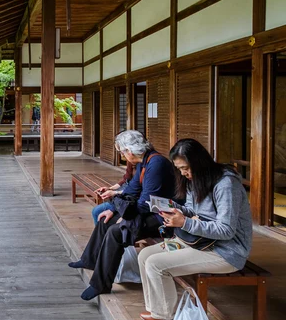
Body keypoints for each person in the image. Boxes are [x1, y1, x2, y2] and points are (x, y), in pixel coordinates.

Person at [137, 139, 252, 320]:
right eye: (179, 169)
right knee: (144, 256)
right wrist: (174, 209)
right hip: (201, 242)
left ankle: (163, 316)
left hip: (226, 251)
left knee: (156, 264)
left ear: (199, 162)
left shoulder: (226, 185)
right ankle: (157, 310)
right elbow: (193, 211)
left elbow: (226, 230)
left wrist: (184, 223)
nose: (184, 173)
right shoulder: (194, 180)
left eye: (186, 168)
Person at [68, 130, 176, 300]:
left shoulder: (156, 164)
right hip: (147, 210)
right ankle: (90, 259)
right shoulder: (144, 161)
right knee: (105, 220)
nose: (122, 156)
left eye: (121, 152)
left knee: (116, 232)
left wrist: (125, 217)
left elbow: (146, 202)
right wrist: (113, 209)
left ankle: (100, 284)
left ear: (129, 151)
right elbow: (133, 189)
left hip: (163, 217)